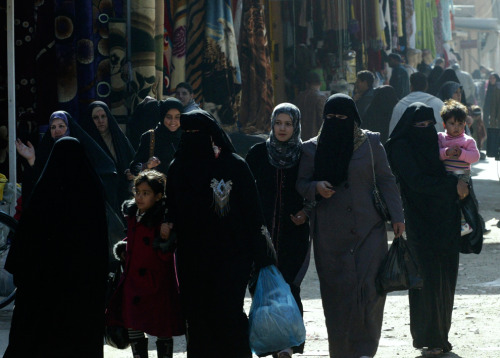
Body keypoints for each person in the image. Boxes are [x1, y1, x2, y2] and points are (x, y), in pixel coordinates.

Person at [296, 94, 405, 358]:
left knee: (370, 291)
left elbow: (386, 179)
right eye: (331, 118)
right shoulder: (311, 148)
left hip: (369, 230)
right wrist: (316, 188)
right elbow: (301, 183)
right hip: (330, 235)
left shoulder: (370, 144)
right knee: (337, 297)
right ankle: (341, 351)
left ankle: (366, 349)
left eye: (342, 118)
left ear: (353, 119)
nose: (336, 122)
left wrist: (398, 216)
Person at [161, 109, 276, 358]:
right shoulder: (178, 168)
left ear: (211, 135)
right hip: (193, 261)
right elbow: (170, 207)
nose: (191, 138)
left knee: (229, 315)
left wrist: (265, 257)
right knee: (197, 318)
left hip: (231, 259)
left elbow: (253, 213)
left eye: (197, 133)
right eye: (187, 133)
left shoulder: (234, 166)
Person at [4, 137, 109, 357]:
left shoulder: (44, 194)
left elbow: (24, 243)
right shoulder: (91, 193)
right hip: (81, 291)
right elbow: (99, 246)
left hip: (42, 291)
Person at [385, 103, 468, 358]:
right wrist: (452, 185)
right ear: (410, 127)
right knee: (426, 280)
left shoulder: (437, 143)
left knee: (446, 279)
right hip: (420, 222)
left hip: (446, 220)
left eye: (429, 125)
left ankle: (441, 335)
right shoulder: (400, 147)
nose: (425, 130)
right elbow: (417, 182)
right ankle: (427, 337)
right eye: (419, 126)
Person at [246, 103, 310, 358]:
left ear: (296, 126)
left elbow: (312, 191)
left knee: (290, 288)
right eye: (278, 123)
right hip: (262, 235)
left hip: (294, 235)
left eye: (288, 124)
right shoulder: (257, 153)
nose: (282, 128)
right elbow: (246, 193)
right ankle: (269, 341)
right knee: (262, 288)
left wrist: (306, 212)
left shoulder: (305, 155)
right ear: (271, 124)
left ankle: (289, 345)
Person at [106, 170, 185, 358]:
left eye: (146, 193)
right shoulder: (134, 216)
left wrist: (166, 239)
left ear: (158, 196)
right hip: (133, 282)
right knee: (133, 323)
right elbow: (134, 239)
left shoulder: (162, 220)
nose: (140, 197)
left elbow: (166, 257)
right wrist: (124, 249)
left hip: (156, 283)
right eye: (137, 192)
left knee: (161, 327)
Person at [15, 110, 116, 208]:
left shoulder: (82, 151)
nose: (57, 130)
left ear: (69, 128)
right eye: (53, 127)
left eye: (61, 126)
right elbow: (40, 183)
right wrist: (32, 159)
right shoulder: (46, 152)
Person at [81, 101, 136, 208]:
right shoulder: (86, 143)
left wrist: (132, 171)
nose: (100, 121)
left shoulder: (118, 137)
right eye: (96, 118)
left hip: (123, 192)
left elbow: (134, 160)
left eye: (103, 116)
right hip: (100, 195)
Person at [438, 100, 480, 235]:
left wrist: (461, 153)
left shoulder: (467, 141)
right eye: (452, 124)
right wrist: (446, 152)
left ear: (465, 124)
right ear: (444, 124)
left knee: (460, 198)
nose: (456, 127)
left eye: (460, 124)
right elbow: (435, 155)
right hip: (446, 175)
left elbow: (475, 157)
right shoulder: (441, 138)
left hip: (462, 174)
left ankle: (463, 223)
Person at [129, 98, 184, 176]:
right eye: (168, 117)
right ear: (162, 116)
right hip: (157, 186)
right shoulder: (150, 137)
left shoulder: (186, 137)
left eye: (177, 117)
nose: (173, 121)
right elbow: (134, 167)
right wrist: (147, 165)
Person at [294, 72, 327, 140]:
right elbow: (323, 121)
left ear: (307, 84)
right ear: (320, 84)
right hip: (315, 140)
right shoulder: (321, 98)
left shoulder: (299, 98)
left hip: (300, 139)